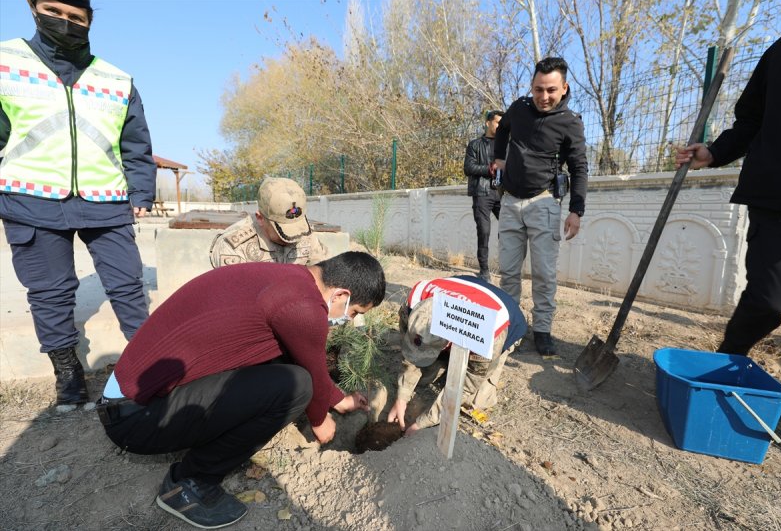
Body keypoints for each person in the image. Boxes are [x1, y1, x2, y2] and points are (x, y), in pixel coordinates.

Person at [96, 251, 385, 528]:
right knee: (296, 386)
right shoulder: (302, 307)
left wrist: (337, 399)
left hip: (127, 399)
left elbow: (305, 359)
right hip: (135, 419)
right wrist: (320, 419)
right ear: (341, 295)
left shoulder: (291, 279)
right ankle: (190, 483)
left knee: (284, 367)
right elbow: (311, 374)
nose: (349, 320)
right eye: (353, 312)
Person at [0, 0, 156, 408]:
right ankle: (67, 375)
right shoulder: (6, 63)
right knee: (50, 292)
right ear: (33, 8)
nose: (64, 22)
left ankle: (148, 365)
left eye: (75, 17)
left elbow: (135, 143)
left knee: (127, 284)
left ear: (89, 21)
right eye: (53, 11)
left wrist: (141, 191)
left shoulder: (116, 79)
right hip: (31, 198)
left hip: (106, 198)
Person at [676, 25, 781, 356]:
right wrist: (715, 152)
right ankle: (726, 361)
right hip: (780, 201)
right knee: (770, 300)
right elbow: (750, 120)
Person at [493, 57, 588, 356]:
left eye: (551, 90)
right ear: (531, 86)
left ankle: (543, 329)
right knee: (508, 272)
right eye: (538, 89)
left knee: (544, 273)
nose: (543, 97)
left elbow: (579, 167)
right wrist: (499, 158)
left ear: (564, 88)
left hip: (544, 203)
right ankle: (510, 326)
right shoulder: (519, 108)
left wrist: (576, 210)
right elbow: (502, 129)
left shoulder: (570, 122)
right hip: (510, 202)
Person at [387, 275, 526, 435]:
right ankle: (443, 360)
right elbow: (410, 349)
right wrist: (402, 397)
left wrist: (423, 423)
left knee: (475, 400)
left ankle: (451, 361)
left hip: (507, 324)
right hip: (463, 291)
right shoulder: (414, 303)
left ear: (448, 341)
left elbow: (467, 384)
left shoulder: (487, 333)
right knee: (423, 377)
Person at [209, 177, 327, 268]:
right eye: (284, 229)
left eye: (296, 226)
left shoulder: (304, 232)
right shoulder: (233, 246)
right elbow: (234, 291)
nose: (293, 237)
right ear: (260, 218)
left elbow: (324, 274)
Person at [464, 110, 504, 283]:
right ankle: (484, 271)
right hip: (482, 192)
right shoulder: (475, 145)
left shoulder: (507, 145)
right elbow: (468, 167)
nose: (500, 126)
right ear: (488, 123)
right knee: (484, 231)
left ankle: (506, 267)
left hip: (503, 193)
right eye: (497, 122)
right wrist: (489, 168)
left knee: (509, 229)